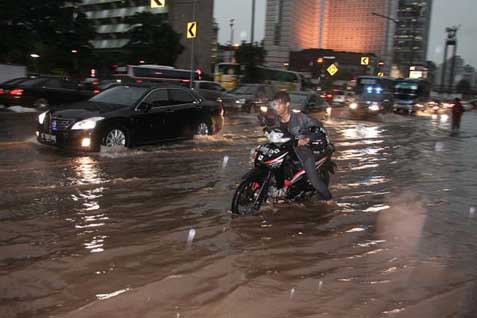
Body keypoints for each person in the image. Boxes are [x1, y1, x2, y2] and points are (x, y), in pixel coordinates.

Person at [270, 91, 332, 200]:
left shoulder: (300, 118)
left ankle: (329, 199)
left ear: (287, 104)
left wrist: (307, 138)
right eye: (274, 104)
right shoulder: (276, 119)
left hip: (303, 150)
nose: (276, 107)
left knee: (314, 180)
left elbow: (320, 129)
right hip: (286, 149)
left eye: (279, 104)